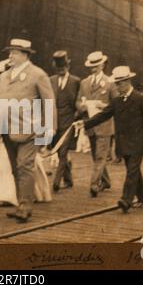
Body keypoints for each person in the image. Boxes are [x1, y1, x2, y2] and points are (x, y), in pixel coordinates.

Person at [0, 37, 57, 223]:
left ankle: (25, 207)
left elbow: (49, 102)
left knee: (24, 166)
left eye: (14, 52)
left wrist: (49, 129)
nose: (10, 56)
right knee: (15, 169)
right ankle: (21, 202)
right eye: (10, 52)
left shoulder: (38, 75)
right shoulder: (4, 76)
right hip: (6, 130)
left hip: (29, 131)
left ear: (25, 55)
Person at [75, 66, 143, 213]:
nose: (116, 87)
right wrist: (85, 123)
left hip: (137, 142)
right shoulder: (117, 101)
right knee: (133, 171)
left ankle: (126, 200)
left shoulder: (140, 98)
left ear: (127, 82)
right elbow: (103, 115)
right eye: (116, 84)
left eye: (118, 84)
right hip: (123, 143)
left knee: (132, 171)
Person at [76, 51, 119, 197]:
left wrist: (104, 106)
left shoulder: (110, 82)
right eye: (91, 66)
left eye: (96, 65)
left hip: (105, 125)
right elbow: (78, 101)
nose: (93, 68)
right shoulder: (84, 83)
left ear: (102, 65)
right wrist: (81, 106)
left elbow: (117, 103)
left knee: (100, 156)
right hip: (91, 125)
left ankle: (94, 185)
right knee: (96, 156)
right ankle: (106, 181)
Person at [49, 50, 80, 192]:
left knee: (63, 152)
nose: (61, 70)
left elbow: (78, 102)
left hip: (69, 122)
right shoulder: (51, 81)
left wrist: (77, 117)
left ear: (68, 66)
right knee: (58, 150)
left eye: (63, 67)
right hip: (55, 123)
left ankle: (56, 182)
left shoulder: (76, 82)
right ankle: (68, 179)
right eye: (58, 68)